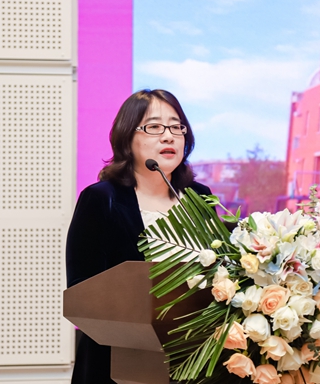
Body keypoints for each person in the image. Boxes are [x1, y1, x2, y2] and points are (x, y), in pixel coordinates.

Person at [66, 89, 212, 383]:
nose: (169, 137)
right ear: (127, 138)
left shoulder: (200, 196)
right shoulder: (101, 199)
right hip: (116, 362)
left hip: (192, 359)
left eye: (176, 127)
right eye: (154, 127)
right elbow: (83, 289)